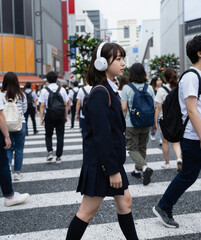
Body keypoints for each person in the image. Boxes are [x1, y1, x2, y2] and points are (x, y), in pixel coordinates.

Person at [66, 42, 139, 240]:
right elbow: (101, 135)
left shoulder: (108, 88)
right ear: (101, 63)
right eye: (118, 59)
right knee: (86, 212)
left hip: (108, 160)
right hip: (102, 164)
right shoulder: (100, 92)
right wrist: (112, 170)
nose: (123, 63)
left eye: (123, 58)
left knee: (125, 203)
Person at [153, 35, 201, 228]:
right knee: (188, 175)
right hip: (193, 136)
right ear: (199, 53)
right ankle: (163, 206)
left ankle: (164, 206)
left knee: (189, 174)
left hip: (196, 135)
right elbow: (191, 109)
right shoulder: (191, 77)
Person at [121, 63, 155, 185]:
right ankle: (137, 170)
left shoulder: (127, 88)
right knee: (142, 147)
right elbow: (153, 107)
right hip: (146, 123)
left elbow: (124, 108)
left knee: (132, 148)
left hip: (131, 123)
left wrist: (121, 123)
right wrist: (154, 124)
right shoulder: (149, 88)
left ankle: (144, 168)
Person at [0, 92, 29, 207]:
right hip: (19, 123)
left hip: (8, 123)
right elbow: (0, 114)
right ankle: (10, 195)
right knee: (16, 151)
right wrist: (6, 136)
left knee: (7, 153)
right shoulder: (21, 95)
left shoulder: (3, 94)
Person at [154, 69, 182, 171]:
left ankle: (167, 163)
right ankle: (179, 158)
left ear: (165, 78)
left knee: (165, 141)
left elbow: (158, 107)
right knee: (175, 141)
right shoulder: (179, 88)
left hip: (164, 119)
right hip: (177, 117)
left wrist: (155, 122)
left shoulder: (161, 90)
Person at [1, 72, 27, 181]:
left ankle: (8, 170)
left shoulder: (1, 95)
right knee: (19, 149)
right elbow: (24, 110)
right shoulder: (21, 95)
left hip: (5, 125)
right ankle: (17, 173)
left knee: (8, 148)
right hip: (20, 124)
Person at [39, 71, 68, 163]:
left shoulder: (44, 90)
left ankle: (50, 152)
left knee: (48, 135)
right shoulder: (62, 89)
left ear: (47, 80)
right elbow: (66, 104)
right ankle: (58, 156)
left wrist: (41, 118)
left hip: (49, 115)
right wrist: (66, 116)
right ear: (56, 79)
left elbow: (42, 105)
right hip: (60, 115)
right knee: (60, 135)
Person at [149, 76, 163, 144]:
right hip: (154, 107)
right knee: (155, 122)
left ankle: (161, 138)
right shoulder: (152, 89)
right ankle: (152, 133)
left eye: (160, 80)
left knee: (160, 122)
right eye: (158, 80)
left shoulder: (163, 89)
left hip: (161, 108)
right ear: (154, 82)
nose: (160, 82)